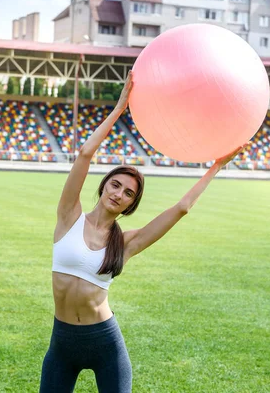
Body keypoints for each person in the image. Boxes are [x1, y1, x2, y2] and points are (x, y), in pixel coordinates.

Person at [39, 71, 244, 393]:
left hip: (104, 342)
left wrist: (216, 167)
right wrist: (119, 108)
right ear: (104, 185)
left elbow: (181, 208)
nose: (119, 193)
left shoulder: (126, 242)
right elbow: (84, 155)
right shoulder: (69, 217)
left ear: (129, 205)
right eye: (116, 184)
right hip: (62, 342)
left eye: (128, 193)